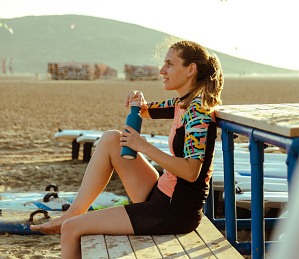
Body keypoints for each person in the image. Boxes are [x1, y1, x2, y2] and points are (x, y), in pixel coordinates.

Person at [31, 40, 224, 258]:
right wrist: (137, 101)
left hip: (174, 211)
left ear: (191, 69)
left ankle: (72, 219)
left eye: (169, 64)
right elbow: (145, 110)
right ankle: (75, 211)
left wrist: (143, 146)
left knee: (71, 229)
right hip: (161, 193)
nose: (162, 70)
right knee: (112, 138)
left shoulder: (198, 111)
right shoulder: (183, 103)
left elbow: (191, 172)